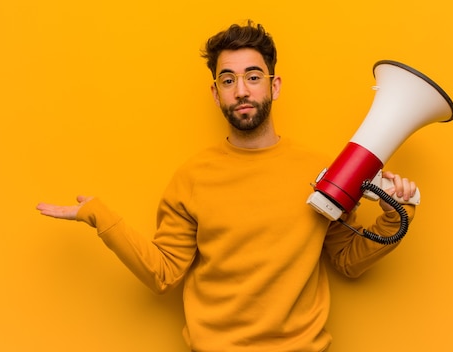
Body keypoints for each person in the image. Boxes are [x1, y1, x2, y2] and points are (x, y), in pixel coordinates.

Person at [36, 20, 417, 352]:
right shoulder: (192, 177)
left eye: (253, 77)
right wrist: (99, 217)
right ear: (216, 92)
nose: (241, 91)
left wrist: (394, 217)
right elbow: (163, 273)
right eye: (228, 80)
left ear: (275, 85)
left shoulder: (322, 171)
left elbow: (347, 262)